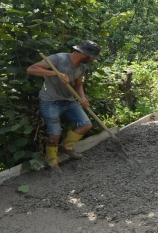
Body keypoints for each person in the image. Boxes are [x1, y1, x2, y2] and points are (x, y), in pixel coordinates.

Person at [27, 40, 102, 171]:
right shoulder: (58, 58)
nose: (93, 60)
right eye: (92, 57)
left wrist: (82, 98)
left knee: (86, 125)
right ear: (85, 54)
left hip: (69, 100)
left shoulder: (82, 67)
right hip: (50, 101)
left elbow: (78, 85)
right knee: (55, 133)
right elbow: (31, 69)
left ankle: (66, 147)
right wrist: (55, 73)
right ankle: (52, 162)